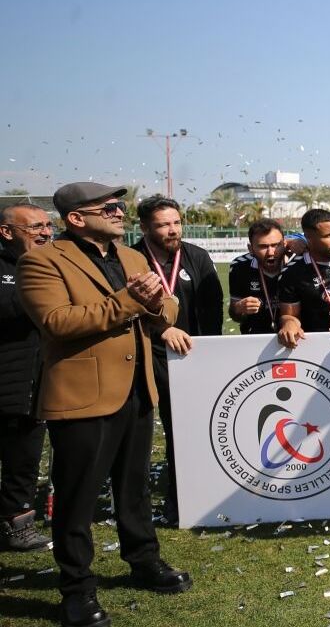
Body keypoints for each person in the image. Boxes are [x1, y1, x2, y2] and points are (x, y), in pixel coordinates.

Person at [20, 183, 191, 627]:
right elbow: (58, 322)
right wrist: (132, 300)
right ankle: (77, 588)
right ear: (76, 218)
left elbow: (164, 313)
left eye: (119, 206)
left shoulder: (132, 257)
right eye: (109, 207)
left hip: (137, 389)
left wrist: (157, 305)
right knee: (77, 498)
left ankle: (144, 560)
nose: (119, 213)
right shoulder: (42, 261)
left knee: (134, 487)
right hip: (83, 397)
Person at [132, 195, 223, 526]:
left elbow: (213, 306)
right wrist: (161, 330)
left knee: (184, 430)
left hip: (189, 357)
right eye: (163, 225)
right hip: (146, 355)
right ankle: (137, 502)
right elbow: (128, 309)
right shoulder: (132, 259)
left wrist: (209, 352)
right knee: (139, 433)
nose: (173, 230)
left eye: (176, 222)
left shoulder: (196, 256)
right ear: (144, 227)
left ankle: (184, 499)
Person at [0, 204, 52, 551]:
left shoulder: (50, 265)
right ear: (7, 232)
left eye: (48, 225)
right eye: (35, 227)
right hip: (6, 377)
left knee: (24, 459)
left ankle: (17, 524)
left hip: (34, 384)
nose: (45, 232)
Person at [276, 209, 330, 348]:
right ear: (309, 238)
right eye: (328, 235)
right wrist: (289, 323)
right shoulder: (292, 273)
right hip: (317, 347)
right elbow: (290, 316)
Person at [228, 218, 289, 335]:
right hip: (254, 338)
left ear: (285, 244)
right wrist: (239, 308)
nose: (271, 252)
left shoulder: (296, 263)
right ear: (250, 249)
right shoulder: (239, 267)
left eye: (276, 245)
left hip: (296, 337)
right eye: (263, 246)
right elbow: (235, 315)